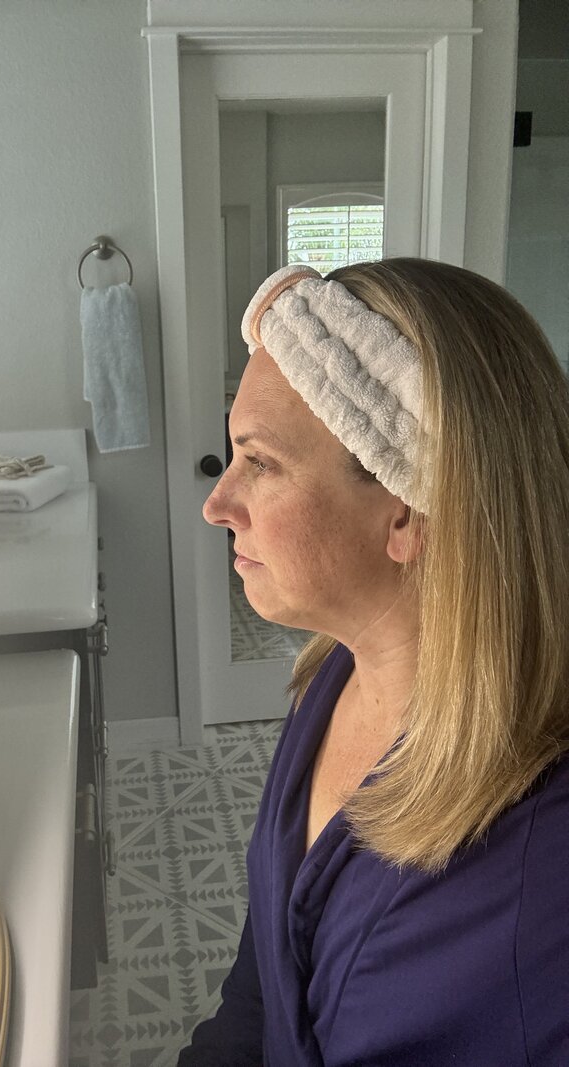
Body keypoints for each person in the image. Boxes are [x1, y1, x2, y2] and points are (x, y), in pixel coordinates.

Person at [177, 258, 569, 1066]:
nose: (218, 504)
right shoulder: (328, 677)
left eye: (260, 462)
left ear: (406, 513)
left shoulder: (534, 886)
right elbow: (262, 979)